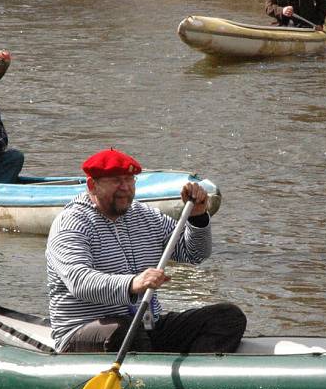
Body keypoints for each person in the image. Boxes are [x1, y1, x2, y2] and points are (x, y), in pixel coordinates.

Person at [46, 148, 246, 354]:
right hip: (84, 332)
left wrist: (198, 216)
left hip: (146, 325)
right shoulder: (71, 223)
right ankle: (153, 378)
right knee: (125, 332)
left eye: (130, 180)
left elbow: (194, 253)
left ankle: (196, 378)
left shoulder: (146, 216)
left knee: (227, 317)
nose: (125, 188)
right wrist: (132, 284)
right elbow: (80, 282)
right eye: (116, 181)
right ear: (92, 185)